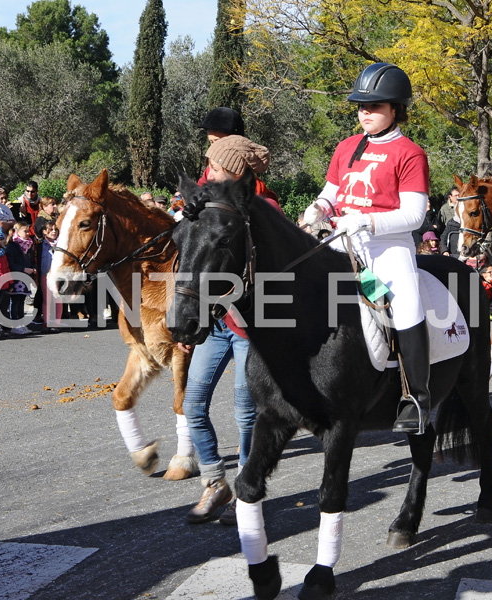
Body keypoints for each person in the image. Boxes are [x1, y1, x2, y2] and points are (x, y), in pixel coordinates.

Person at [302, 62, 432, 435]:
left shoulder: (410, 153)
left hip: (387, 249)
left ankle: (416, 398)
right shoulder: (346, 148)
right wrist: (318, 209)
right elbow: (331, 195)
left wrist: (367, 221)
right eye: (361, 105)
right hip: (343, 242)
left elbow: (415, 214)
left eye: (373, 106)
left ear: (395, 110)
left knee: (405, 306)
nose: (364, 112)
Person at [178, 134, 279, 525]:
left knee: (245, 413)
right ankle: (214, 481)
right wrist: (191, 321)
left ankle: (244, 490)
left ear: (235, 172)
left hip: (250, 328)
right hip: (217, 319)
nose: (209, 171)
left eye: (216, 166)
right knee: (192, 404)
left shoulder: (265, 208)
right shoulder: (207, 204)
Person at [197, 107, 280, 205]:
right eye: (211, 142)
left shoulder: (262, 197)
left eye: (218, 141)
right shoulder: (209, 172)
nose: (214, 147)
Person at [5, 222, 36, 335]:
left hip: (25, 277)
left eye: (28, 231)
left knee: (22, 301)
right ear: (17, 232)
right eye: (25, 231)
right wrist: (23, 269)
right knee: (15, 301)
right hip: (16, 278)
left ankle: (22, 324)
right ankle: (15, 324)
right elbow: (11, 263)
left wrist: (33, 268)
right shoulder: (12, 246)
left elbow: (31, 260)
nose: (27, 234)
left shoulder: (29, 244)